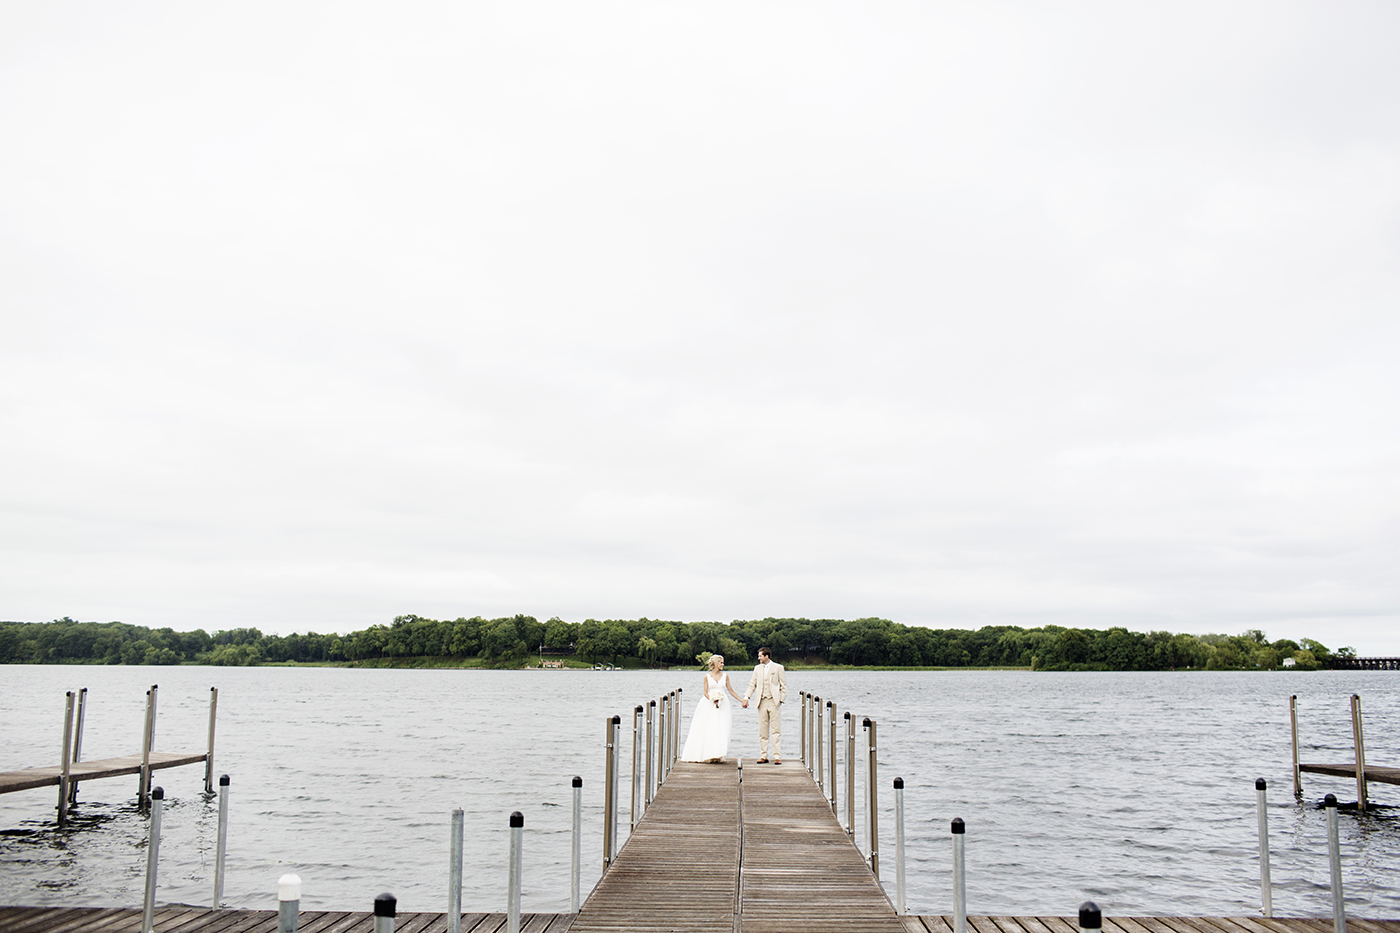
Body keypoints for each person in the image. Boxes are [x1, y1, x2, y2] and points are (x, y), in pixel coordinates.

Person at [679, 654, 746, 763]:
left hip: (723, 704)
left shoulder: (725, 676)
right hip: (709, 704)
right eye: (721, 662)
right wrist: (712, 699)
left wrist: (741, 700)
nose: (723, 665)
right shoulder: (707, 676)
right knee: (710, 728)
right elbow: (705, 692)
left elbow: (731, 691)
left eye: (723, 662)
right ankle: (709, 754)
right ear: (715, 663)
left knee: (721, 728)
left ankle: (718, 754)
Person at [743, 647, 786, 764]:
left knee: (776, 730)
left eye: (760, 656)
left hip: (774, 702)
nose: (758, 658)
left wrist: (780, 700)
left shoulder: (778, 668)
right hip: (761, 702)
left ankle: (777, 757)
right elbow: (753, 684)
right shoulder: (757, 669)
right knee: (763, 731)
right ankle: (764, 755)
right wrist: (747, 697)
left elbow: (783, 685)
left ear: (766, 656)